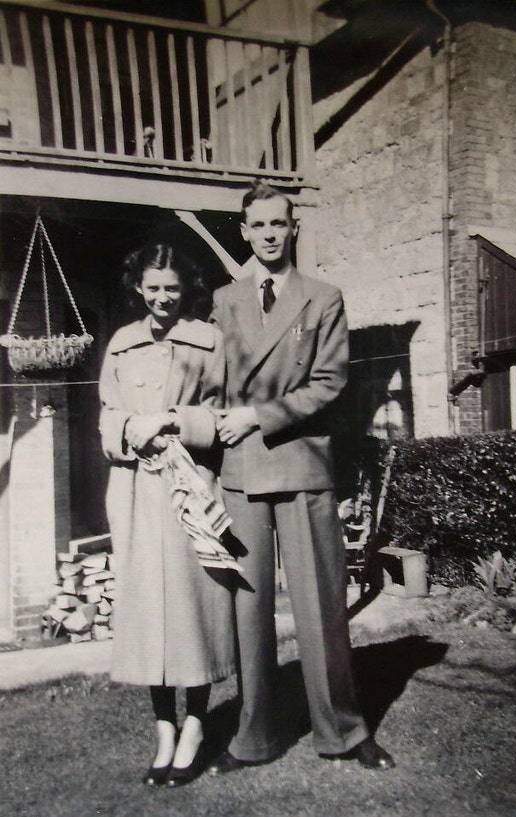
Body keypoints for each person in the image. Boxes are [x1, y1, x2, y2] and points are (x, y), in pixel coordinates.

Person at [209, 181, 395, 772]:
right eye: (257, 225)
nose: (268, 234)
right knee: (249, 610)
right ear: (244, 231)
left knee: (321, 607)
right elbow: (212, 380)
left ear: (294, 229)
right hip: (242, 468)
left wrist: (257, 415)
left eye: (278, 224)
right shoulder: (223, 300)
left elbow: (330, 382)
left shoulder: (324, 297)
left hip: (302, 461)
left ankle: (342, 729)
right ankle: (254, 737)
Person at [99, 243, 234, 788]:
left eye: (171, 288)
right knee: (149, 614)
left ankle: (196, 726)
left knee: (190, 610)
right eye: (152, 288)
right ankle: (162, 732)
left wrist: (173, 421)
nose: (161, 298)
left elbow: (222, 410)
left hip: (188, 485)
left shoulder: (207, 340)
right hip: (135, 488)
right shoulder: (121, 345)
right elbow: (108, 412)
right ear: (138, 287)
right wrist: (129, 432)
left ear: (186, 290)